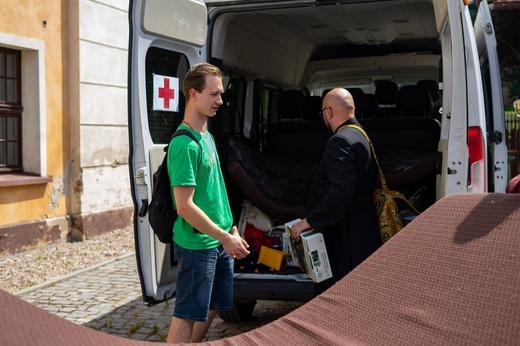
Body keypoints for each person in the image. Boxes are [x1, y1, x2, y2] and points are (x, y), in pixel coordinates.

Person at [166, 62, 250, 343]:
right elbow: (184, 206)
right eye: (214, 94)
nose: (220, 101)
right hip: (197, 245)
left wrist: (231, 227)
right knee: (187, 315)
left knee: (215, 305)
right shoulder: (184, 145)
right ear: (192, 95)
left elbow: (217, 189)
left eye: (221, 93)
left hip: (219, 239)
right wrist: (224, 236)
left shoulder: (208, 137)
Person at [290, 88, 382, 294]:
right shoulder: (366, 136)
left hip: (343, 237)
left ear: (328, 112)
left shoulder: (339, 141)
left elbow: (341, 192)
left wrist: (310, 221)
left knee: (336, 295)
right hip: (365, 231)